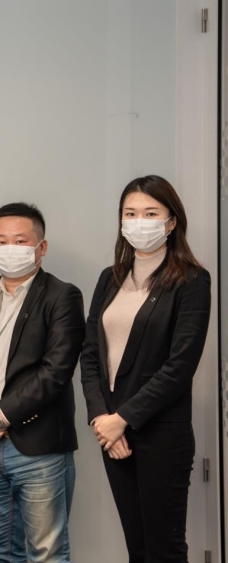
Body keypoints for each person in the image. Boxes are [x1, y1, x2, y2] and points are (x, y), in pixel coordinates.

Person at [79, 175, 210, 562]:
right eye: (130, 213)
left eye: (151, 213)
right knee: (137, 549)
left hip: (161, 434)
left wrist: (123, 419)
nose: (139, 221)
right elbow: (90, 354)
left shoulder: (191, 280)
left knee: (164, 551)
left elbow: (180, 365)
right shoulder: (110, 277)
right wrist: (101, 418)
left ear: (171, 222)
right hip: (112, 434)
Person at [0, 203, 84, 562]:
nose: (9, 248)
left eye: (20, 241)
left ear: (41, 247)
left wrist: (0, 418)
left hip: (37, 447)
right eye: (1, 241)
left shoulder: (62, 295)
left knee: (46, 553)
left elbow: (55, 372)